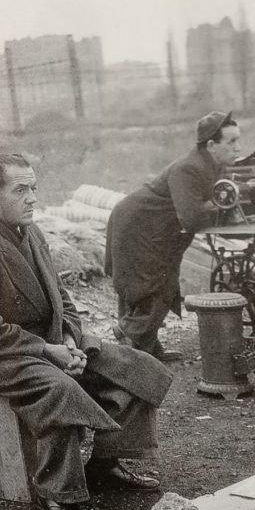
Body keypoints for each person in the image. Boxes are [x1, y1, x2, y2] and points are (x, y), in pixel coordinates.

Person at [0, 153, 172, 510]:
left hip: (51, 339)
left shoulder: (31, 232)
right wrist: (49, 351)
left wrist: (69, 337)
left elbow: (60, 297)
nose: (33, 198)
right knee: (58, 388)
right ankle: (57, 491)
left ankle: (104, 464)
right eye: (21, 190)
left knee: (130, 366)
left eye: (33, 187)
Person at [105, 112, 241, 361]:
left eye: (237, 141)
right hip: (137, 226)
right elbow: (190, 218)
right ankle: (128, 336)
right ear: (211, 145)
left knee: (158, 284)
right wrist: (217, 204)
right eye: (231, 142)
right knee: (154, 287)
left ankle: (146, 347)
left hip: (154, 229)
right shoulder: (189, 168)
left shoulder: (213, 165)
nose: (237, 148)